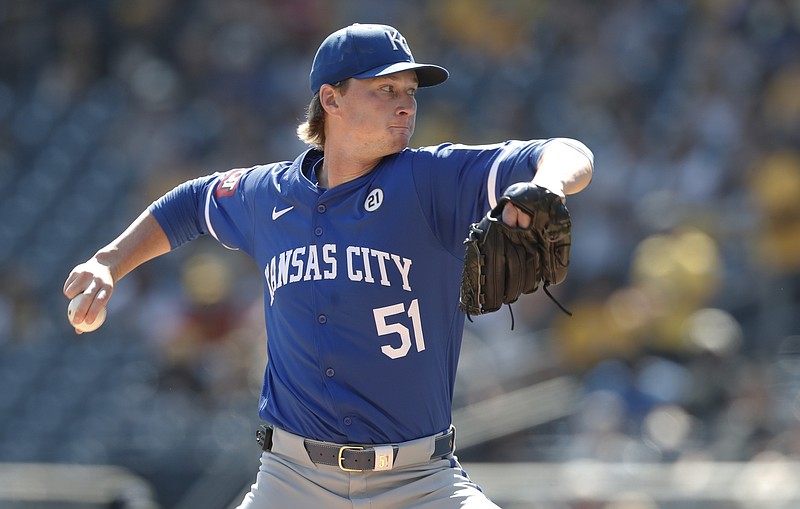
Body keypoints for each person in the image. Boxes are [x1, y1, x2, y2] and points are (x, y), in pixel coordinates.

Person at [64, 23, 593, 508]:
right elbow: (187, 205)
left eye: (410, 92)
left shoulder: (432, 181)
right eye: (385, 89)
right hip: (292, 479)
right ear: (330, 98)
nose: (406, 105)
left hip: (419, 481)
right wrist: (109, 261)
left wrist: (547, 185)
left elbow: (568, 151)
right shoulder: (267, 195)